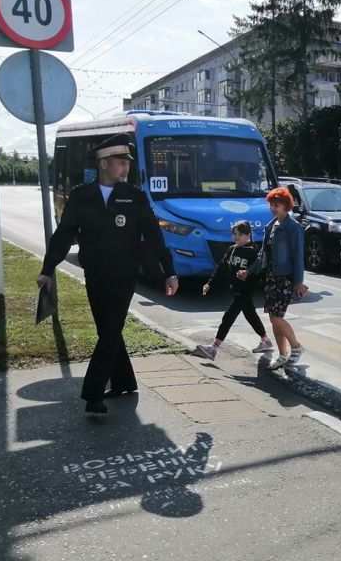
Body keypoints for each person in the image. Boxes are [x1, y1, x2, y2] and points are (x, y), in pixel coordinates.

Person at [37, 135, 179, 415]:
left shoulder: (135, 196)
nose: (126, 167)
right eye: (120, 162)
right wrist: (47, 269)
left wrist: (169, 271)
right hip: (95, 274)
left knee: (111, 329)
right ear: (103, 163)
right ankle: (125, 382)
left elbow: (153, 236)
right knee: (107, 330)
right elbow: (64, 234)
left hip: (124, 276)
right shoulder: (81, 196)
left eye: (127, 162)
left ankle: (93, 395)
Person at [241, 187, 307, 370]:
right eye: (271, 205)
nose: (273, 208)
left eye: (276, 205)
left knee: (277, 317)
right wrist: (250, 271)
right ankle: (282, 354)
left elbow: (298, 257)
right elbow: (264, 253)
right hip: (271, 277)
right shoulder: (271, 226)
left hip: (284, 278)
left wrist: (298, 281)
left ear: (286, 206)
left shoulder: (293, 228)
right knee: (273, 318)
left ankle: (296, 347)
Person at [195, 220, 273, 361]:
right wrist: (210, 283)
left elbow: (258, 273)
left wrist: (247, 279)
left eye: (240, 234)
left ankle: (214, 348)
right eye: (234, 234)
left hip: (245, 290)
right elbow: (221, 268)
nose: (237, 237)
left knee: (229, 316)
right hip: (236, 288)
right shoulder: (231, 250)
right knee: (250, 315)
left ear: (248, 235)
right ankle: (265, 340)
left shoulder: (253, 252)